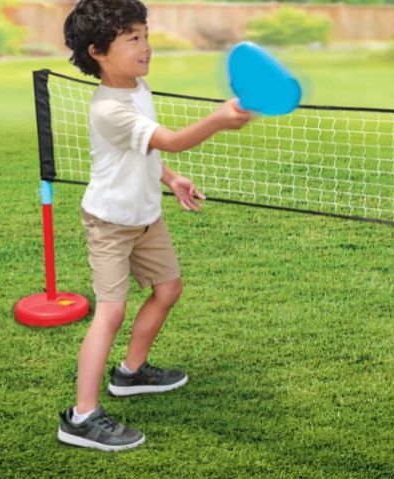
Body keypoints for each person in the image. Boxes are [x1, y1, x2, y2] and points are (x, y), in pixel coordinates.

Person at [57, 0, 251, 450]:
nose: (146, 47)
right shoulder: (109, 109)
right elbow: (173, 140)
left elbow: (148, 146)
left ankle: (130, 373)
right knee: (111, 312)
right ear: (98, 52)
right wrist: (219, 120)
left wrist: (169, 177)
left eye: (146, 35)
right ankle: (81, 417)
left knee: (168, 289)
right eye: (133, 39)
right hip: (110, 221)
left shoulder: (138, 86)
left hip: (146, 216)